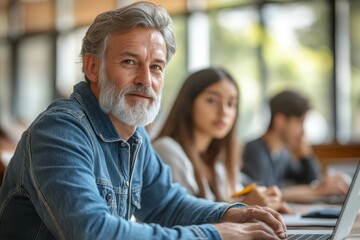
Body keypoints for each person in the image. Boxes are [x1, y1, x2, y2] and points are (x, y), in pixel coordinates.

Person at [0, 2, 288, 239]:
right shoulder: (60, 130)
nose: (145, 80)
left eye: (156, 67)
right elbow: (92, 232)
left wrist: (231, 214)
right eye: (129, 62)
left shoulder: (135, 137)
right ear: (92, 67)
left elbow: (168, 205)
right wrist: (216, 234)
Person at [152, 67, 292, 214]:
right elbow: (182, 216)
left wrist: (264, 199)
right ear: (188, 104)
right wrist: (243, 206)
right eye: (212, 100)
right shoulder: (166, 149)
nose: (224, 111)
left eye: (231, 104)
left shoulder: (217, 160)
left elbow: (232, 197)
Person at [242, 90, 349, 203]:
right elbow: (263, 195)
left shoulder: (282, 154)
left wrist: (306, 155)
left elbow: (309, 181)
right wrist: (316, 190)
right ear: (280, 121)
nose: (303, 131)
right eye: (299, 122)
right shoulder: (254, 150)